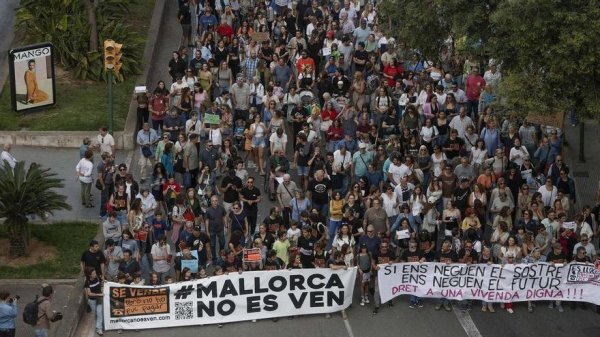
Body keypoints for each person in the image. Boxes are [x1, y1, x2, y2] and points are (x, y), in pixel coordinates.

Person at [83, 267, 104, 336]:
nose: (95, 274)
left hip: (99, 299)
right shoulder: (87, 282)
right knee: (95, 314)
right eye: (93, 273)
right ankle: (97, 324)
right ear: (89, 275)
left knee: (99, 313)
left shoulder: (97, 278)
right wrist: (99, 294)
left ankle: (99, 328)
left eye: (95, 273)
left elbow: (102, 282)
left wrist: (104, 281)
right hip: (92, 300)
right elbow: (89, 293)